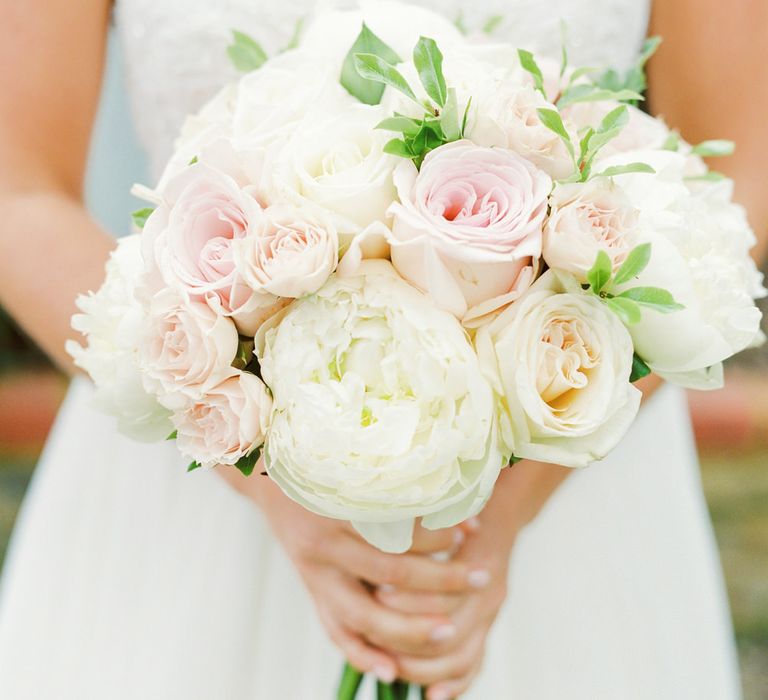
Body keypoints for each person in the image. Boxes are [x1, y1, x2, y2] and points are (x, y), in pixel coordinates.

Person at [0, 1, 765, 698]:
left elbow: (737, 172)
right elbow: (17, 187)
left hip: (571, 476)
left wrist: (504, 501)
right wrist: (268, 469)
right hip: (189, 484)